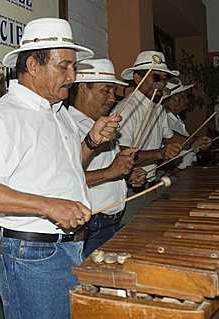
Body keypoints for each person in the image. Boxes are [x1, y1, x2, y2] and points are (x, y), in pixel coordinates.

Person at [0, 18, 121, 319]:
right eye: (64, 67)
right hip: (32, 256)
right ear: (33, 65)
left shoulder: (58, 113)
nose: (72, 76)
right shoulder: (3, 119)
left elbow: (69, 170)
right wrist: (49, 207)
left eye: (73, 67)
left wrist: (92, 142)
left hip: (68, 247)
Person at [112, 51, 210, 226]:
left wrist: (193, 141)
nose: (162, 83)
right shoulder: (126, 110)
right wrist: (160, 153)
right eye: (156, 77)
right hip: (128, 190)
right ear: (137, 79)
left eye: (164, 79)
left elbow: (172, 138)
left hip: (150, 185)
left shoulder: (158, 108)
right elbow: (121, 155)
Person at [69, 59, 146, 256]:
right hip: (90, 226)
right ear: (84, 89)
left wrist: (126, 176)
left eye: (114, 91)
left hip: (112, 221)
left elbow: (107, 170)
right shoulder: (68, 126)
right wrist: (111, 172)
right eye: (106, 90)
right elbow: (67, 178)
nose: (113, 98)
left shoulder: (102, 123)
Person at [163, 79, 198, 171]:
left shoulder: (177, 119)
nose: (187, 100)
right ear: (174, 98)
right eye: (184, 96)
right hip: (174, 176)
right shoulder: (164, 120)